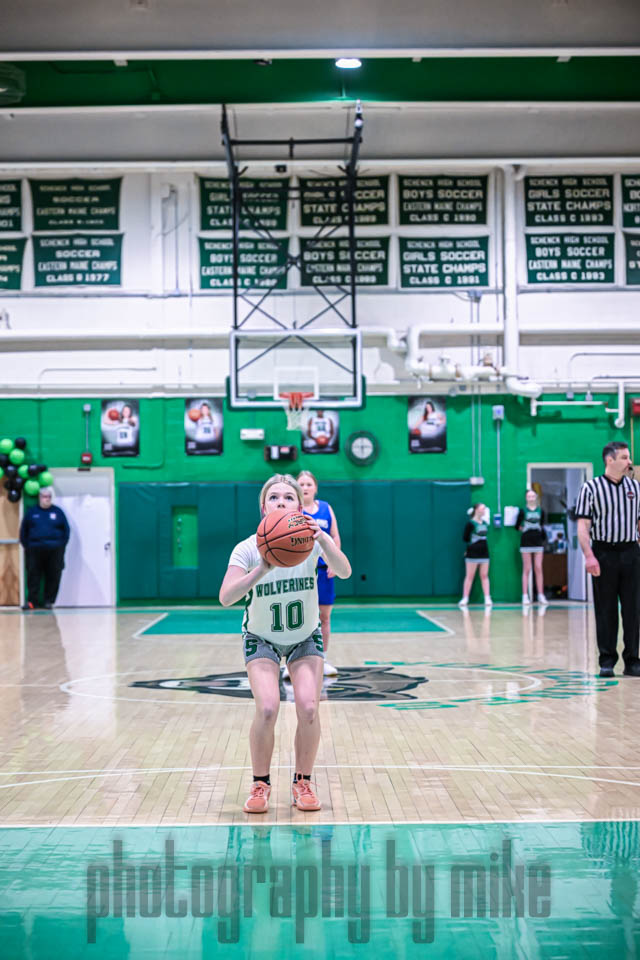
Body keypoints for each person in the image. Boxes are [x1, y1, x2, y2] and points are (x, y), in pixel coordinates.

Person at [219, 474, 351, 814]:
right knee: (267, 708)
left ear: (300, 506)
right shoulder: (247, 548)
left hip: (304, 637)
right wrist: (261, 570)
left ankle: (302, 782)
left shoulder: (310, 543)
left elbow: (344, 571)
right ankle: (260, 784)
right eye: (274, 497)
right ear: (263, 507)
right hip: (261, 637)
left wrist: (324, 539)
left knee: (308, 708)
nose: (281, 501)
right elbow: (226, 597)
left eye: (289, 497)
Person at [575, 441, 640, 678]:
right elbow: (583, 526)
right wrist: (589, 556)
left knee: (633, 609)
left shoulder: (635, 487)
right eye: (624, 457)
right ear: (609, 460)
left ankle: (633, 661)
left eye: (629, 457)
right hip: (603, 553)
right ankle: (606, 661)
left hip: (631, 552)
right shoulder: (590, 488)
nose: (629, 462)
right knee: (606, 609)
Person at [296, 470, 342, 677]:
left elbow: (335, 536)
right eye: (301, 484)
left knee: (324, 617)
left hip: (323, 571)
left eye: (309, 484)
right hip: (301, 571)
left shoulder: (325, 508)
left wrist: (335, 561)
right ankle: (294, 660)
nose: (305, 487)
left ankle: (322, 659)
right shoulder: (293, 510)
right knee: (299, 617)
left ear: (315, 487)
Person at [19, 487, 70, 610]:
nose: (46, 499)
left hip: (55, 550)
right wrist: (28, 546)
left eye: (49, 497)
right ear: (39, 498)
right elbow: (23, 531)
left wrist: (60, 545)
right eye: (44, 497)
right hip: (34, 549)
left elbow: (66, 531)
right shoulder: (32, 512)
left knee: (53, 575)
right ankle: (32, 602)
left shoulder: (58, 512)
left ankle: (49, 601)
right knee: (33, 575)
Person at [517, 489, 548, 605]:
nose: (531, 498)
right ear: (526, 498)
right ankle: (525, 595)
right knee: (527, 568)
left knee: (538, 568)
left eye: (533, 496)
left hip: (538, 541)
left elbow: (542, 524)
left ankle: (540, 595)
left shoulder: (541, 511)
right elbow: (517, 526)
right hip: (526, 541)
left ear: (536, 498)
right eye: (529, 496)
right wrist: (525, 529)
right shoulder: (522, 511)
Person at [459, 503, 492, 607]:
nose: (484, 510)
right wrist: (469, 548)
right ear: (476, 510)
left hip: (484, 552)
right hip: (472, 553)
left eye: (485, 509)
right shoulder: (470, 524)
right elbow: (465, 538)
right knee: (470, 576)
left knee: (484, 575)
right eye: (482, 509)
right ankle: (465, 598)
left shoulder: (485, 523)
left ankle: (487, 598)